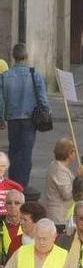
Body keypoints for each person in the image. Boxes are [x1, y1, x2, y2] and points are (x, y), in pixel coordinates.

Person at [0, 44, 49, 187]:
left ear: (13, 57)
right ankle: (22, 185)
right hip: (29, 118)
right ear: (26, 56)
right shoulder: (34, 74)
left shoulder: (5, 76)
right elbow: (42, 97)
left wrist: (1, 118)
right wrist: (47, 113)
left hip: (13, 119)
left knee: (14, 151)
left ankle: (13, 181)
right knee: (26, 152)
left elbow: (1, 100)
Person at [1, 219, 67, 268]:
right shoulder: (21, 252)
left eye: (44, 239)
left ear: (54, 237)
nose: (41, 242)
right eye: (38, 238)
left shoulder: (64, 256)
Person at [43, 140, 79, 225]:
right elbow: (67, 194)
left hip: (60, 215)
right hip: (59, 217)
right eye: (74, 150)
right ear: (69, 154)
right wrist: (78, 178)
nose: (75, 153)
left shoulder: (56, 165)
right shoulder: (60, 171)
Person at [0, 189, 25, 264]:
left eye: (17, 203)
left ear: (23, 205)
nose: (12, 206)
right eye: (9, 203)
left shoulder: (30, 226)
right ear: (5, 205)